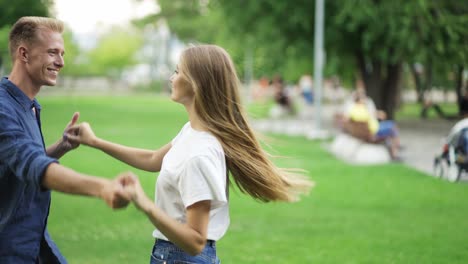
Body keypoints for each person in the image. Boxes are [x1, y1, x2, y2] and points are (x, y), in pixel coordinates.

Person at [68, 45, 314, 263]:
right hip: (172, 255)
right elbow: (154, 159)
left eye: (177, 71)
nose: (171, 77)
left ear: (196, 83)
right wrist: (94, 141)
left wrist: (144, 204)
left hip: (180, 258)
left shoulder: (200, 155)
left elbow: (196, 241)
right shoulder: (192, 133)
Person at [0, 16, 134, 264]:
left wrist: (62, 146)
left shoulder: (29, 106)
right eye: (53, 53)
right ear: (24, 54)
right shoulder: (3, 109)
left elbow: (20, 166)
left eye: (62, 53)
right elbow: (33, 165)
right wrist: (102, 187)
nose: (61, 62)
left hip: (35, 245)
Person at [343, 88, 402, 161]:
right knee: (393, 127)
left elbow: (348, 119)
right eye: (363, 98)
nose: (365, 100)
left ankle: (394, 148)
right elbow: (370, 116)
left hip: (371, 130)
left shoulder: (353, 109)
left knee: (390, 128)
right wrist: (378, 114)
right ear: (359, 100)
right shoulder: (362, 109)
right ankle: (395, 150)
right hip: (374, 131)